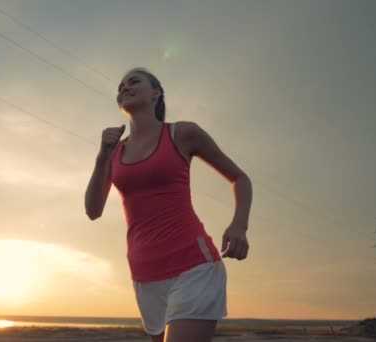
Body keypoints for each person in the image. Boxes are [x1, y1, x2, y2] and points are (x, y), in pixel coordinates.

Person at [84, 68, 252, 342]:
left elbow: (240, 178)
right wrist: (102, 155)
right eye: (121, 86)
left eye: (134, 82)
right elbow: (93, 210)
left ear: (156, 93)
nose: (124, 88)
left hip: (194, 267)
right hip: (144, 276)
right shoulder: (114, 152)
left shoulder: (182, 133)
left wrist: (239, 225)